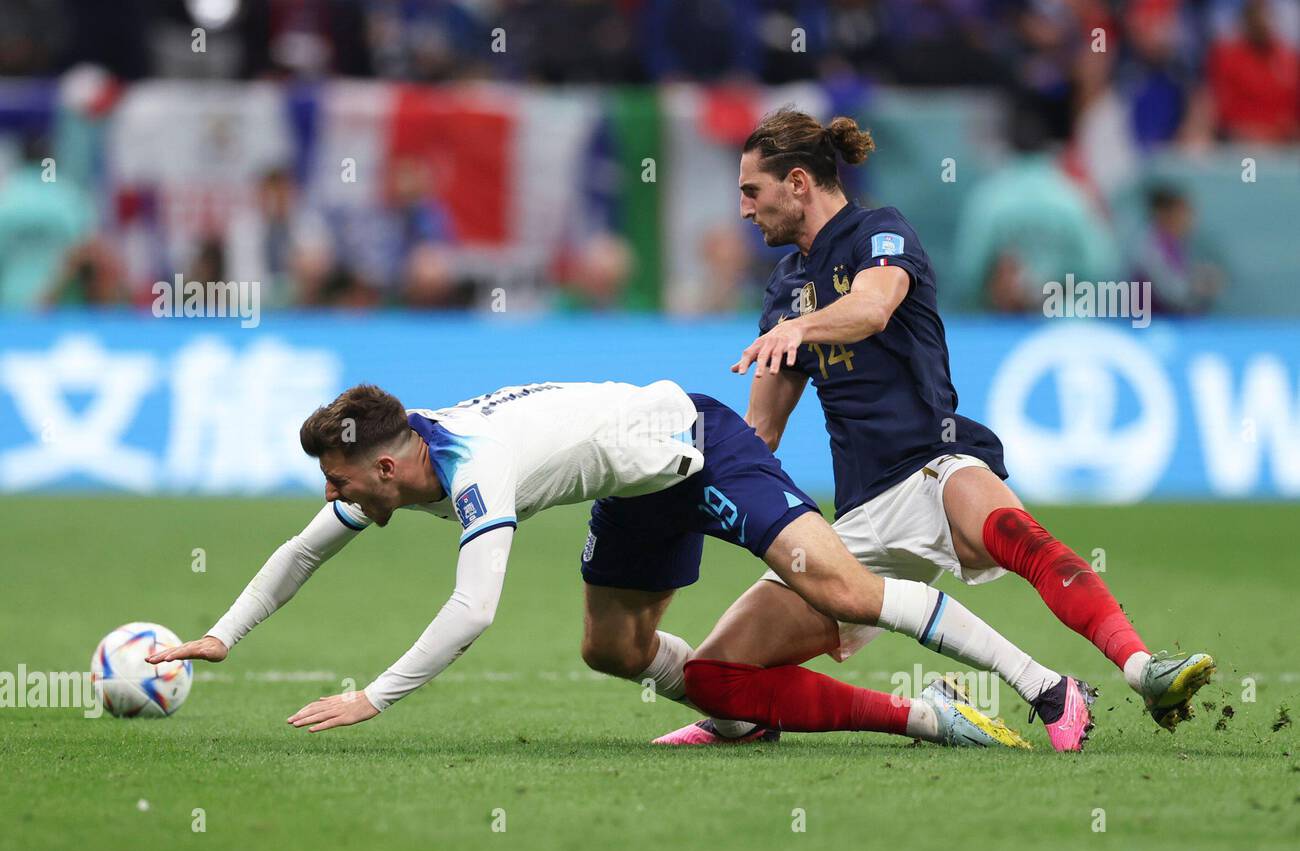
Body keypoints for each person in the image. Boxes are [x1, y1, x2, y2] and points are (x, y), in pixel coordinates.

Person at [655, 109, 1213, 751]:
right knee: (715, 675)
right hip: (858, 518)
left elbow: (873, 306)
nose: (745, 211)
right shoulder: (783, 290)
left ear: (799, 182)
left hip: (935, 464)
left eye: (752, 192)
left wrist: (799, 329)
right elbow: (761, 432)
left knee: (1014, 535)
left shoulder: (879, 231)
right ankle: (918, 716)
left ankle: (1143, 670)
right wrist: (683, 480)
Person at [147, 379, 1039, 749]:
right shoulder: (393, 450)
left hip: (697, 444)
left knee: (841, 588)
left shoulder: (474, 470)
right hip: (635, 484)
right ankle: (765, 721)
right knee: (610, 650)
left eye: (341, 482)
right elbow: (304, 550)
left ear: (387, 468)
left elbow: (473, 611)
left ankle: (1028, 680)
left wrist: (370, 697)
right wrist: (222, 635)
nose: (334, 498)